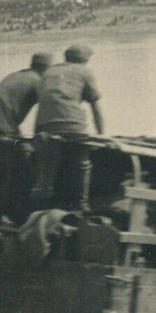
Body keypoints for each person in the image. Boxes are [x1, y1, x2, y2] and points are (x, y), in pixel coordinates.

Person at [32, 44, 105, 212]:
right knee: (83, 162)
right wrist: (101, 135)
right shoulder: (84, 72)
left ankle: (41, 206)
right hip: (72, 125)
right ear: (84, 60)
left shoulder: (48, 72)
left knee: (47, 168)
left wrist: (38, 134)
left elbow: (43, 104)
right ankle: (82, 204)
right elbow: (96, 107)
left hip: (45, 127)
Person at [0, 52, 52, 137]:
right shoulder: (38, 81)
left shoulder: (17, 75)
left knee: (16, 141)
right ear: (45, 68)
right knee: (25, 145)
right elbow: (47, 109)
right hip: (0, 125)